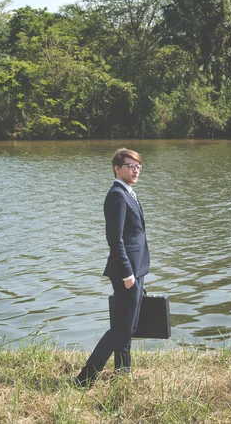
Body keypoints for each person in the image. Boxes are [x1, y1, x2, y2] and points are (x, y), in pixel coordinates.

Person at [75, 148, 150, 387]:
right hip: (126, 272)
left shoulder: (129, 193)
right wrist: (128, 273)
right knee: (120, 329)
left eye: (138, 165)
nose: (135, 169)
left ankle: (123, 373)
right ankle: (84, 379)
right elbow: (115, 239)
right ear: (117, 169)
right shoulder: (117, 195)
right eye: (130, 166)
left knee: (127, 326)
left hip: (136, 270)